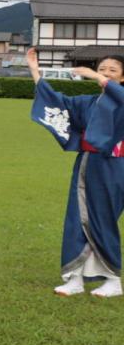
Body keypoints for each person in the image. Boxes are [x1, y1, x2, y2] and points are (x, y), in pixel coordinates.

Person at [27, 48, 124, 298]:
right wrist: (35, 73)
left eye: (113, 70)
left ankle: (113, 279)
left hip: (114, 167)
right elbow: (59, 103)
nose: (105, 73)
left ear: (122, 77)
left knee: (103, 219)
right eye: (102, 69)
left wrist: (95, 76)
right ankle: (75, 278)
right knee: (77, 217)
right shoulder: (89, 102)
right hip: (87, 163)